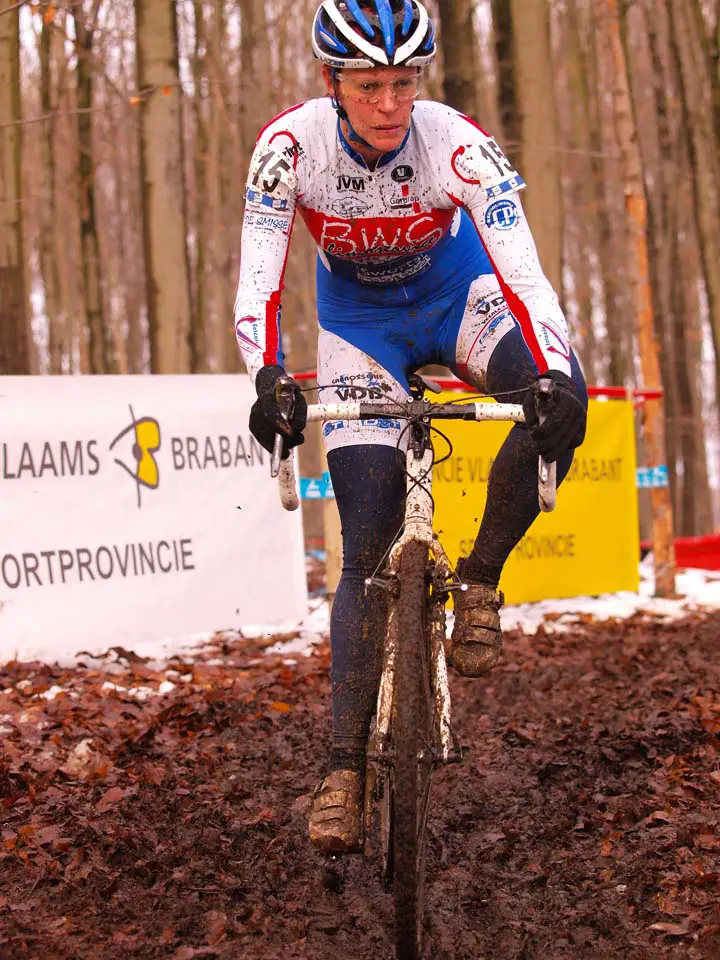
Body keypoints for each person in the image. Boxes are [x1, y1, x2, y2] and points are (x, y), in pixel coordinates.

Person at [234, 0, 587, 855]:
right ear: (332, 84)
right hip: (361, 328)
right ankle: (344, 769)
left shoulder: (455, 143)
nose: (390, 105)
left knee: (561, 400)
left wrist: (549, 371)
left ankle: (481, 581)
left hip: (459, 297)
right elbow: (259, 279)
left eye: (404, 83)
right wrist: (270, 375)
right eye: (367, 86)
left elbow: (524, 270)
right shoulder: (290, 150)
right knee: (364, 544)